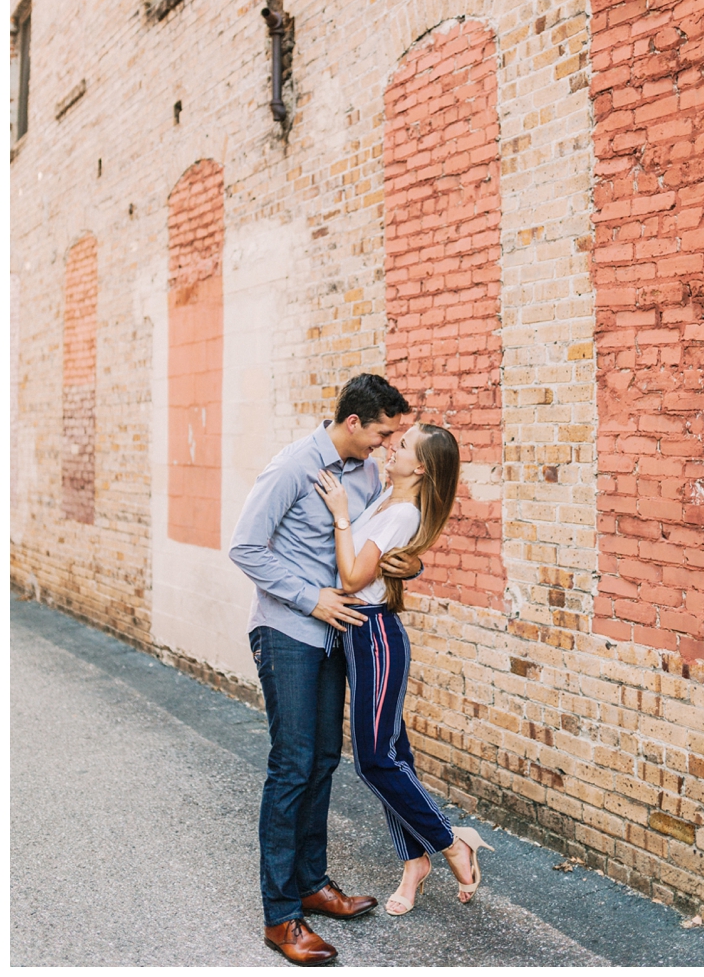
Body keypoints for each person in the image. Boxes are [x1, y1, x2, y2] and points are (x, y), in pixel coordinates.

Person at [229, 374, 421, 966]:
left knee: (322, 760)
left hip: (338, 635)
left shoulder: (363, 472)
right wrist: (311, 598)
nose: (388, 446)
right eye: (384, 433)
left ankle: (312, 881)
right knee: (291, 765)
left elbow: (359, 549)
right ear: (355, 422)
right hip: (287, 630)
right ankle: (281, 913)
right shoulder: (292, 467)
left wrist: (398, 564)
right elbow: (245, 547)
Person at [315, 421, 494, 917]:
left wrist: (340, 517)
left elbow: (352, 577)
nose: (390, 447)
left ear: (420, 467)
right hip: (359, 634)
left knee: (373, 760)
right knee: (394, 755)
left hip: (374, 635)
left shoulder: (399, 514)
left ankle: (452, 842)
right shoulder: (388, 499)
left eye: (404, 445)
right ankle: (414, 860)